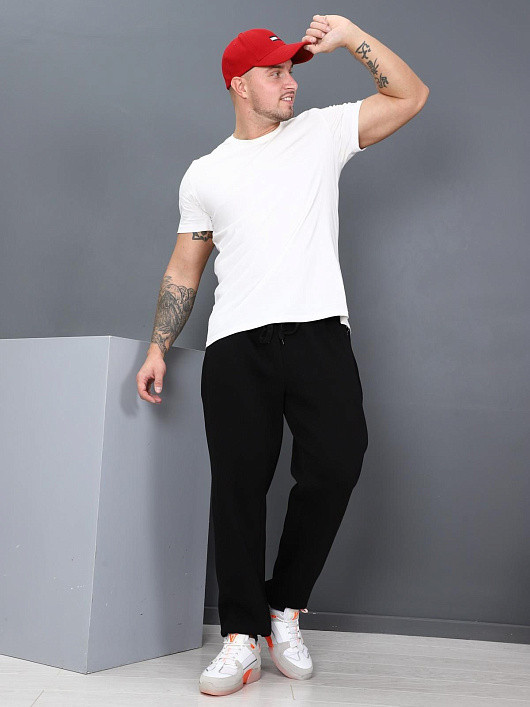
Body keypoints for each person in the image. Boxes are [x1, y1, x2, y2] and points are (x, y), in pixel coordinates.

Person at [137, 14, 429, 697]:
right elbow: (184, 267)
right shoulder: (205, 174)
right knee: (238, 490)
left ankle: (284, 606)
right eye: (275, 72)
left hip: (318, 333)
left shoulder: (322, 133)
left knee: (337, 461)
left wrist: (352, 37)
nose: (290, 82)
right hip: (235, 345)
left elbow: (409, 96)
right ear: (240, 85)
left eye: (292, 69)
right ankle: (240, 638)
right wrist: (158, 346)